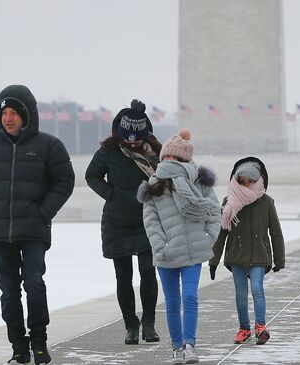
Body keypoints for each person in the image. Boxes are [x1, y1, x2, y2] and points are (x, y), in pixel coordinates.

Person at [0, 85, 75, 365]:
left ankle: (39, 340)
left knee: (34, 284)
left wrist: (44, 212)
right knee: (9, 292)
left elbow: (65, 180)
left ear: (26, 115)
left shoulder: (48, 146)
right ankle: (18, 344)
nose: (8, 118)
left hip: (34, 231)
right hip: (0, 232)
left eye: (14, 112)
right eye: (4, 112)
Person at [137, 128, 221, 364]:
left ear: (185, 160)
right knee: (172, 301)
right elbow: (150, 221)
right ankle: (177, 348)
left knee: (191, 296)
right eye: (166, 157)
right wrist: (159, 245)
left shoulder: (200, 183)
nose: (169, 161)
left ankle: (190, 345)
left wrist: (209, 238)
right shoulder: (154, 186)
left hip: (194, 251)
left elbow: (215, 212)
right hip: (166, 253)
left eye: (175, 158)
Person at [85, 99, 161, 345]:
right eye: (127, 138)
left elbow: (170, 177)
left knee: (148, 273)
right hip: (116, 222)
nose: (131, 142)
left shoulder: (155, 153)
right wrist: (112, 195)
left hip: (147, 220)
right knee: (123, 277)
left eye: (136, 139)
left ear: (144, 135)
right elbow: (91, 175)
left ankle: (148, 323)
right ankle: (131, 325)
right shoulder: (108, 151)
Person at [209, 157, 285, 345]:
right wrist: (213, 260)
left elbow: (275, 232)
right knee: (241, 293)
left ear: (258, 180)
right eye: (241, 181)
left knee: (257, 289)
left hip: (259, 254)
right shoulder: (229, 201)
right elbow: (221, 233)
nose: (245, 184)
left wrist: (279, 259)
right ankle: (244, 328)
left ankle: (261, 327)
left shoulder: (267, 202)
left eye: (250, 181)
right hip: (237, 255)